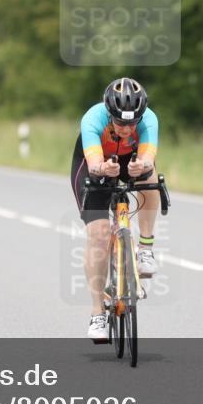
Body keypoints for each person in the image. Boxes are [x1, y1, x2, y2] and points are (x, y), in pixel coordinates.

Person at [70, 77, 159, 341]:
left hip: (129, 159)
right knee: (98, 234)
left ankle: (145, 249)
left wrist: (141, 166)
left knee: (151, 179)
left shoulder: (150, 120)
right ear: (109, 113)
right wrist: (102, 169)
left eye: (132, 122)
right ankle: (97, 312)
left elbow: (148, 157)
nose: (126, 128)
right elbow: (95, 160)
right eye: (120, 122)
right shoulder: (92, 119)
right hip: (94, 161)